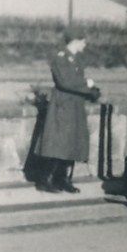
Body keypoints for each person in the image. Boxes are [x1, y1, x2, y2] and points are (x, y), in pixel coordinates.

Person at [33, 26, 101, 193]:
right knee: (59, 143)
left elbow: (76, 81)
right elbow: (67, 82)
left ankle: (64, 179)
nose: (85, 44)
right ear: (76, 41)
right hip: (63, 106)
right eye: (83, 41)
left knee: (72, 143)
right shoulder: (60, 57)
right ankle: (46, 179)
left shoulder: (76, 59)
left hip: (75, 105)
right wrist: (88, 86)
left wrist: (92, 91)